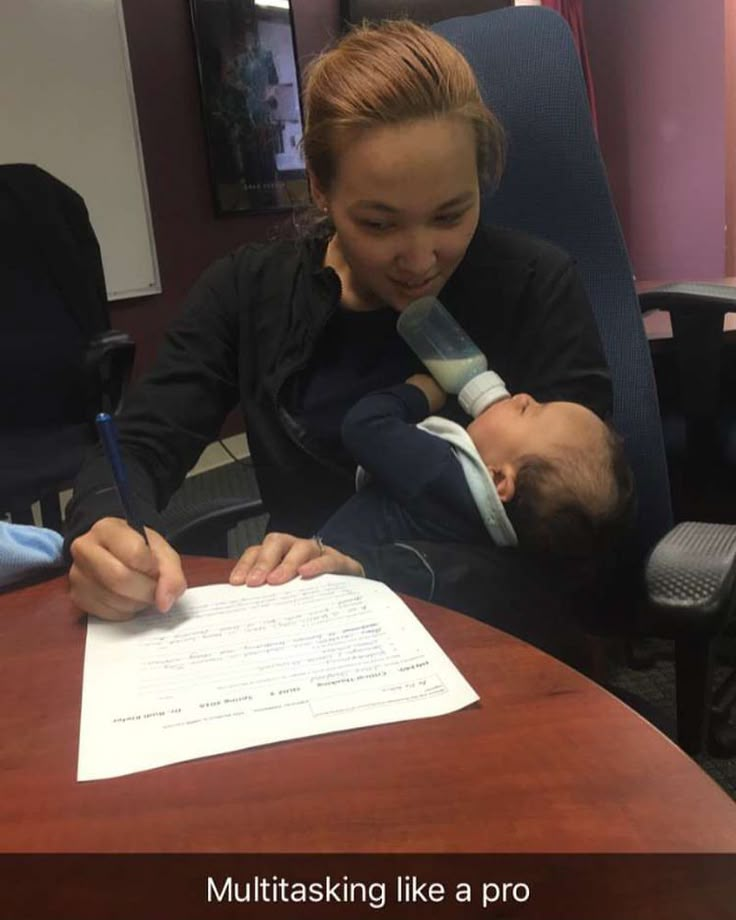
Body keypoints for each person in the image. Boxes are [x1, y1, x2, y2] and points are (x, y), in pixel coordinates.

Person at [66, 20, 615, 633]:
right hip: (309, 631)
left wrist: (385, 573)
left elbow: (580, 542)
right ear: (321, 190)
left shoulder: (534, 286)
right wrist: (105, 526)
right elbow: (140, 444)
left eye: (450, 214)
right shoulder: (248, 293)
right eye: (379, 224)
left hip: (484, 636)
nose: (419, 259)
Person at [233, 373, 634, 589]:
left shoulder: (439, 471)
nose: (522, 395)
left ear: (498, 480)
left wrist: (417, 393)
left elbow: (364, 426)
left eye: (530, 411)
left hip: (318, 578)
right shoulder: (500, 539)